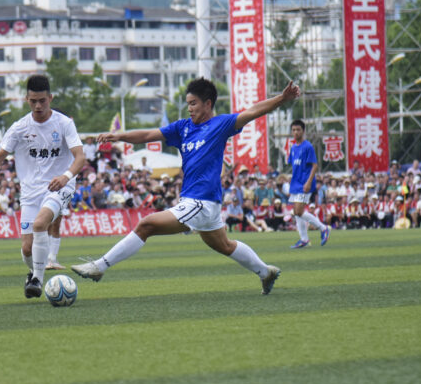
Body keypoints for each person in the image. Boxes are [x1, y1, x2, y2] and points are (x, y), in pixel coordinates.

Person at [72, 77, 300, 295]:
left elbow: (252, 112)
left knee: (146, 225)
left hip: (201, 201)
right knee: (225, 245)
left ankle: (99, 267)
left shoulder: (220, 124)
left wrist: (282, 98)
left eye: (193, 103)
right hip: (199, 202)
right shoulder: (183, 128)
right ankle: (265, 272)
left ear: (208, 104)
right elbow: (149, 134)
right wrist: (119, 136)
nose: (189, 108)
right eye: (188, 104)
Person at [0, 74, 85, 298]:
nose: (38, 105)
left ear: (50, 98)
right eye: (33, 101)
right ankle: (34, 272)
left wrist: (66, 177)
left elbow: (80, 157)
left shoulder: (64, 123)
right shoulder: (19, 127)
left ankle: (37, 280)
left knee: (41, 224)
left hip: (60, 186)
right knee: (27, 249)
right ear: (26, 100)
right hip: (29, 192)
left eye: (42, 100)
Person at [287, 119, 330, 248]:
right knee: (296, 212)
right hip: (296, 183)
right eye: (293, 130)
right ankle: (304, 240)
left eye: (298, 130)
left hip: (304, 183)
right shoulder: (293, 147)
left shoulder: (308, 146)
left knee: (299, 211)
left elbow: (314, 165)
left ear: (303, 131)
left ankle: (323, 228)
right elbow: (294, 165)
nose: (295, 132)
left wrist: (308, 182)